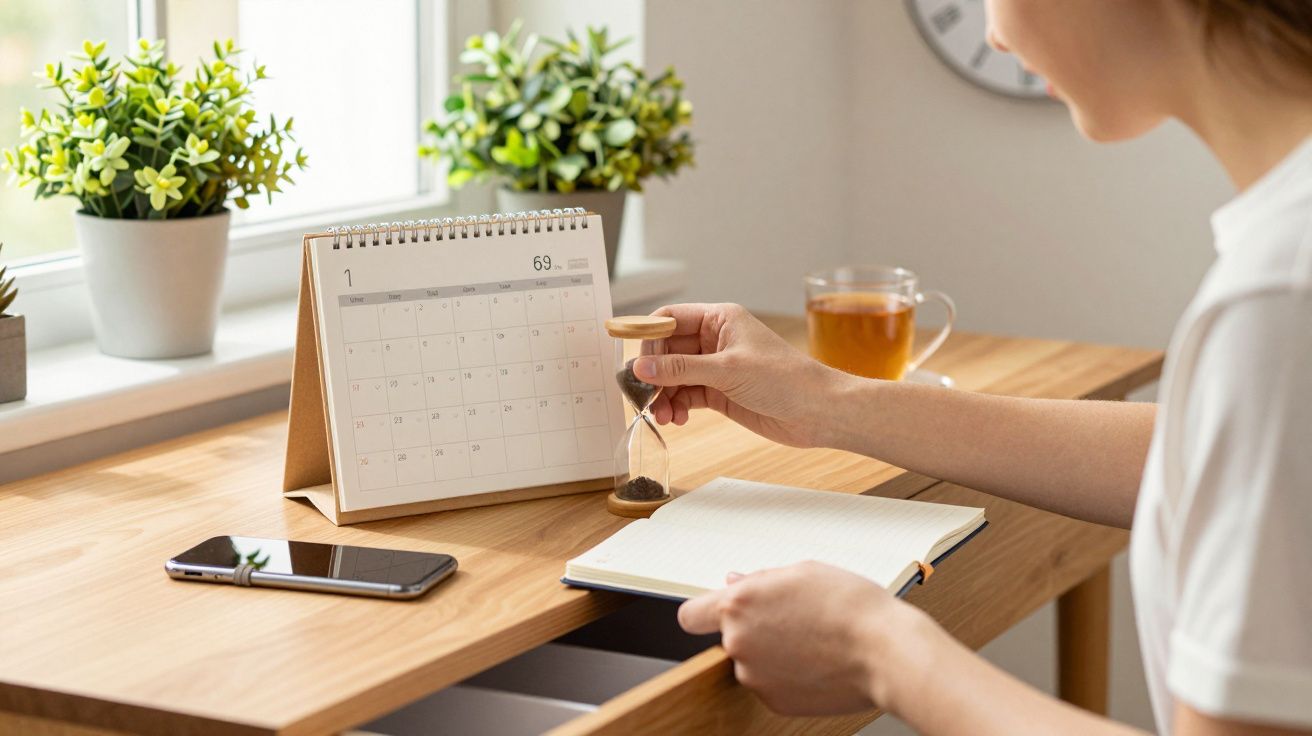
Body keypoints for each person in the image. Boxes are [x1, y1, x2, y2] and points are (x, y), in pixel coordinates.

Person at [634, 2, 1312, 734]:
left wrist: (880, 650)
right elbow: (1206, 461)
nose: (995, 33)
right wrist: (826, 401)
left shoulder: (1279, 296)